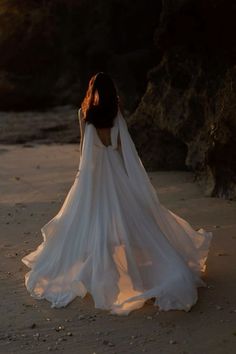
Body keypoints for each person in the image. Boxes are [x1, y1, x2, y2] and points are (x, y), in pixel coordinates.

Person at [22, 72, 212, 316]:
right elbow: (123, 149)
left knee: (90, 218)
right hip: (115, 171)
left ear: (92, 90)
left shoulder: (84, 115)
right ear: (112, 92)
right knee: (129, 217)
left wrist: (82, 178)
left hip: (94, 174)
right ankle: (135, 267)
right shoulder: (116, 115)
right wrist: (129, 179)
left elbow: (84, 151)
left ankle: (103, 265)